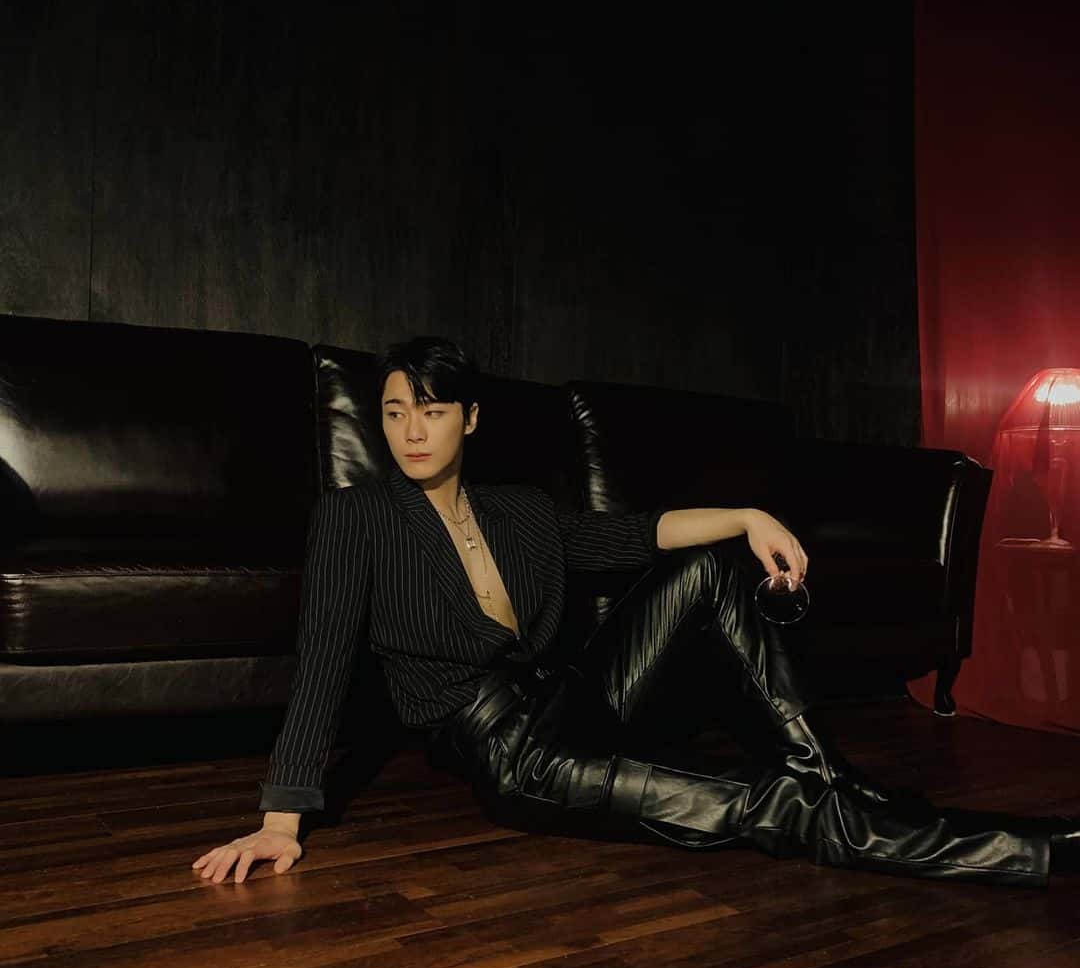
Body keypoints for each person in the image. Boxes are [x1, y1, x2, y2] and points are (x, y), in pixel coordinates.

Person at [193, 338, 1080, 886]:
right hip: (517, 754)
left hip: (579, 699)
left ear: (470, 419)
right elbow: (322, 663)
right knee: (765, 807)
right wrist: (280, 821)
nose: (411, 431)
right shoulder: (357, 517)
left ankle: (831, 775)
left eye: (431, 411)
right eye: (394, 413)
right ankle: (1030, 853)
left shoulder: (519, 510)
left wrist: (748, 515)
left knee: (709, 566)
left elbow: (636, 534)